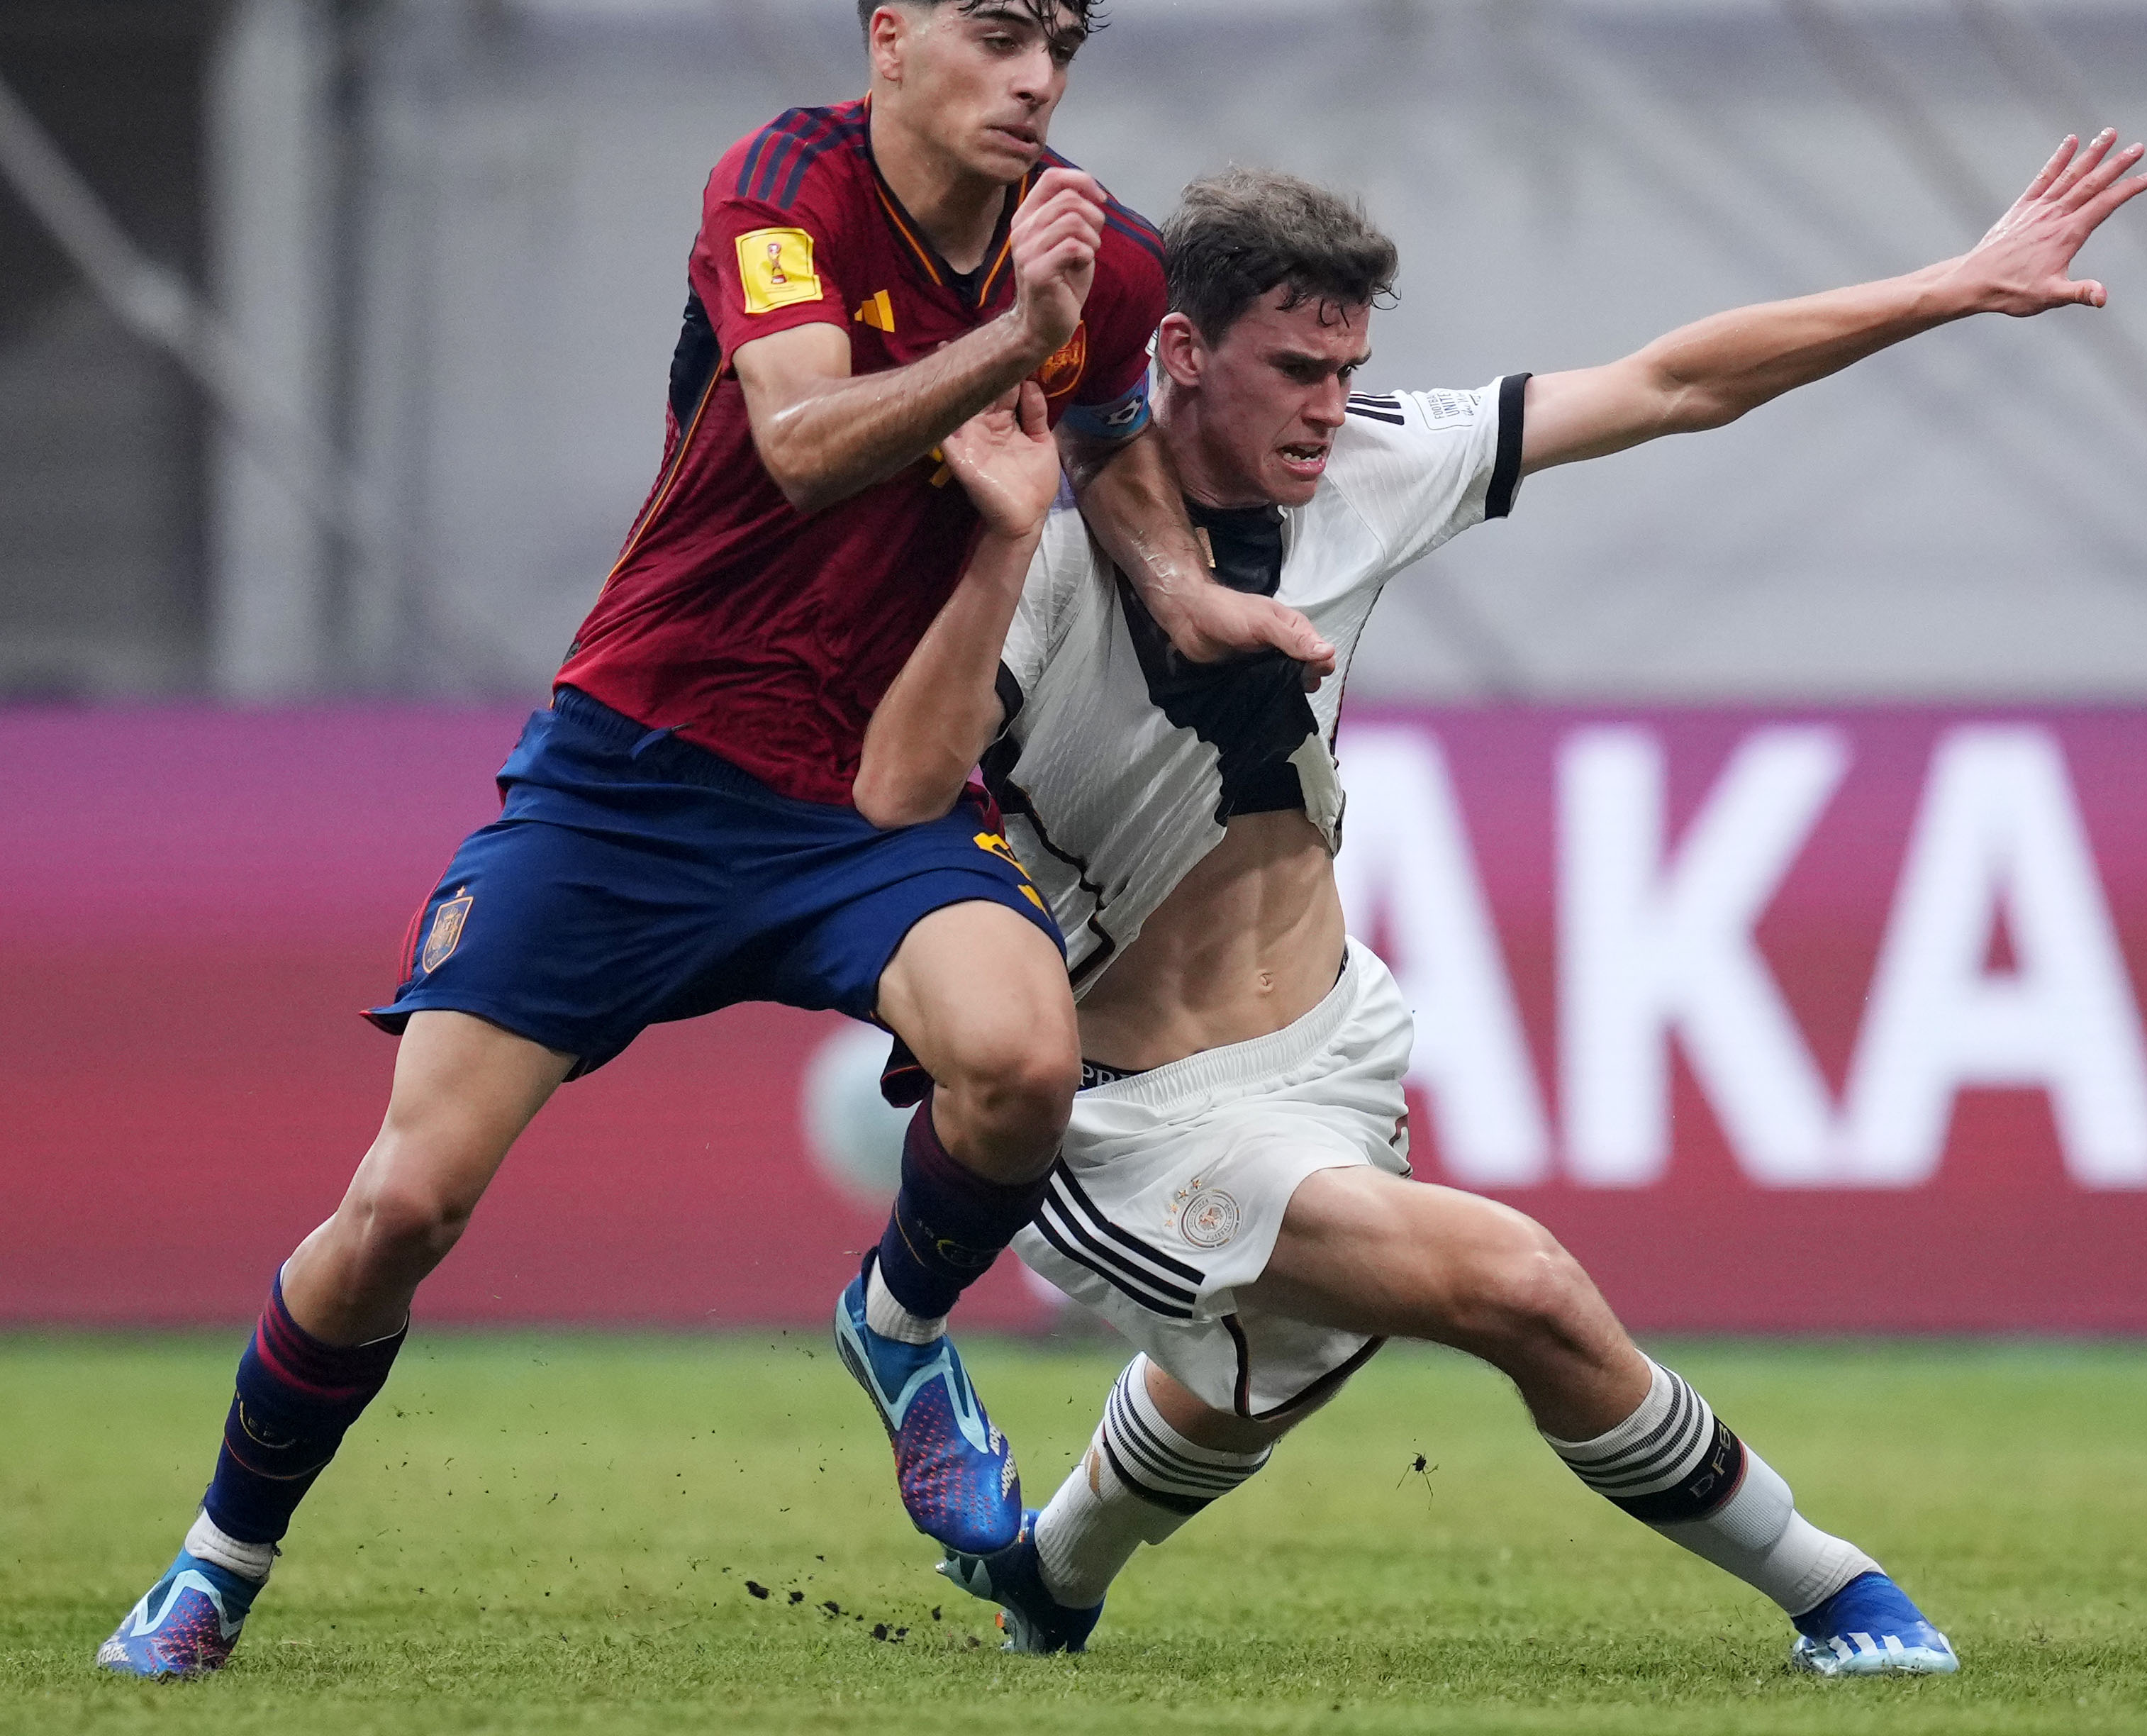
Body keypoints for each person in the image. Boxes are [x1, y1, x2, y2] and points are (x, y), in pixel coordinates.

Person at [98, 0, 1328, 1679]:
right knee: (405, 1207)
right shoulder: (787, 185)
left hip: (871, 795)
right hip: (635, 778)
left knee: (1022, 1059)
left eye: (1063, 40)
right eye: (996, 32)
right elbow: (804, 443)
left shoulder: (1096, 256)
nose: (1036, 77)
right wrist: (1013, 331)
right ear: (893, 37)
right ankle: (217, 1561)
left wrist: (1179, 585)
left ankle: (894, 1333)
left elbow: (1104, 433)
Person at [852, 134, 2147, 1676]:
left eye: (1348, 365)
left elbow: (1672, 382)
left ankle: (1055, 1579)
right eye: (1294, 368)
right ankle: (1839, 1592)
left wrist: (1946, 285)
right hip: (1133, 1120)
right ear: (1180, 354)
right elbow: (892, 783)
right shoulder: (1043, 553)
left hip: (1333, 1049)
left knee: (1278, 1368)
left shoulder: (1379, 459)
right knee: (1512, 1284)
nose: (1331, 407)